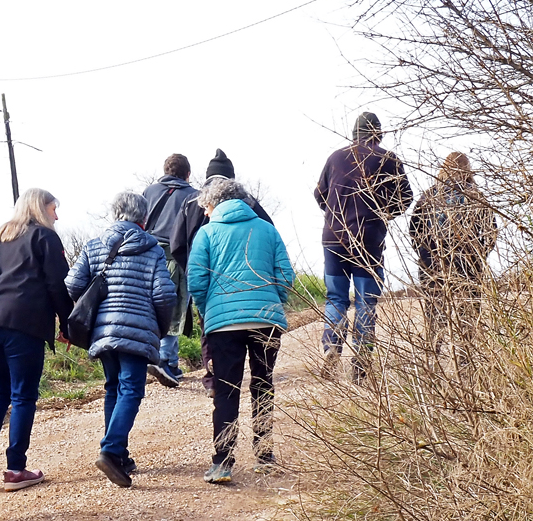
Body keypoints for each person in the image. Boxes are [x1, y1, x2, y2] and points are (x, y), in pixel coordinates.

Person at [187, 178, 294, 483]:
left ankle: (223, 462)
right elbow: (286, 273)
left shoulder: (206, 233)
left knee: (226, 390)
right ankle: (265, 457)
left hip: (223, 325)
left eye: (206, 207)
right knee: (263, 385)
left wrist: (210, 311)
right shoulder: (267, 228)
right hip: (266, 320)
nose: (205, 213)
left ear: (213, 203)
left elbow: (196, 281)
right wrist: (274, 301)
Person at [66, 192, 177, 488]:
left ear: (115, 214)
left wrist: (95, 308)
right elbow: (165, 294)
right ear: (143, 218)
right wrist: (159, 327)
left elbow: (73, 283)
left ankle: (120, 456)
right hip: (137, 330)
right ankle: (111, 450)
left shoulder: (93, 245)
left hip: (103, 331)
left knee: (114, 388)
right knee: (131, 391)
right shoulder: (151, 249)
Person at [0, 187, 71, 492]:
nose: (57, 215)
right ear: (41, 209)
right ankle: (15, 468)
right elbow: (57, 284)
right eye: (54, 208)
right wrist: (68, 324)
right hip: (25, 323)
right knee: (24, 395)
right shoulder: (45, 237)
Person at [165, 149, 274, 393]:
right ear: (232, 177)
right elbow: (270, 231)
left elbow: (177, 244)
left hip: (205, 277)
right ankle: (249, 375)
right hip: (246, 282)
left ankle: (213, 377)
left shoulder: (191, 202)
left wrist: (193, 270)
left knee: (208, 325)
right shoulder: (248, 202)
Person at [315, 113, 413, 382]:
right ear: (378, 134)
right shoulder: (387, 158)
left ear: (354, 133)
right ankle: (362, 357)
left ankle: (331, 347)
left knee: (336, 297)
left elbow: (319, 194)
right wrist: (382, 213)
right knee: (365, 300)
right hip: (368, 240)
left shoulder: (335, 157)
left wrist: (334, 212)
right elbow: (405, 199)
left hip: (333, 237)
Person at [409, 152, 497, 364]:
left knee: (435, 314)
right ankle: (465, 361)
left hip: (434, 264)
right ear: (468, 170)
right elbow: (491, 233)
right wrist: (480, 256)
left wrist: (425, 257)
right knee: (468, 314)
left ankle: (433, 361)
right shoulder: (476, 196)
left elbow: (414, 231)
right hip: (468, 263)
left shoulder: (428, 196)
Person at [140, 154, 200, 385]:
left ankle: (162, 358)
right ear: (188, 174)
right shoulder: (194, 196)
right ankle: (165, 359)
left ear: (165, 170)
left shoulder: (149, 191)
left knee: (151, 307)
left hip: (148, 256)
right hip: (177, 257)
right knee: (175, 308)